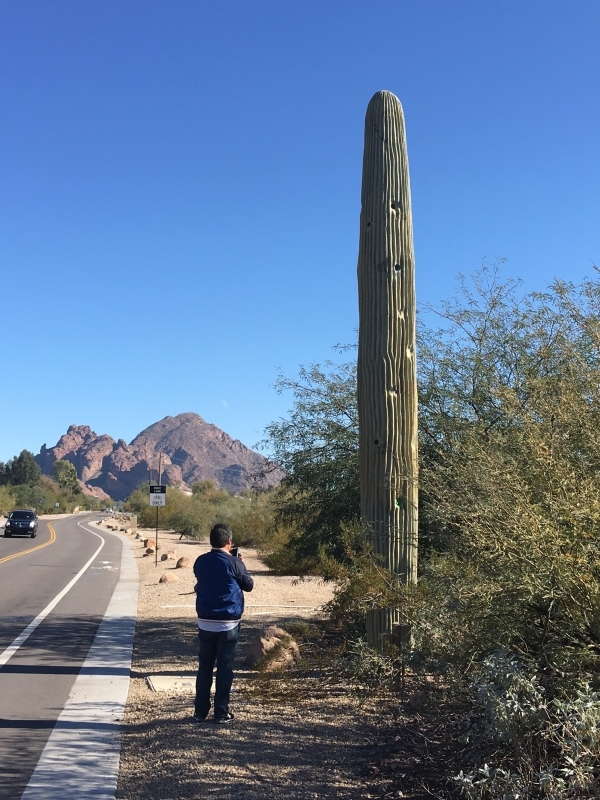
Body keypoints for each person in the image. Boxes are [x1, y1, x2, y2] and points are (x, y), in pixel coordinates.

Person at [193, 523, 254, 723]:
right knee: (225, 667)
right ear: (229, 542)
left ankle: (200, 712)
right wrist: (240, 564)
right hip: (228, 623)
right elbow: (249, 585)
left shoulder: (200, 561)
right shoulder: (234, 563)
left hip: (205, 621)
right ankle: (221, 712)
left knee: (205, 667)